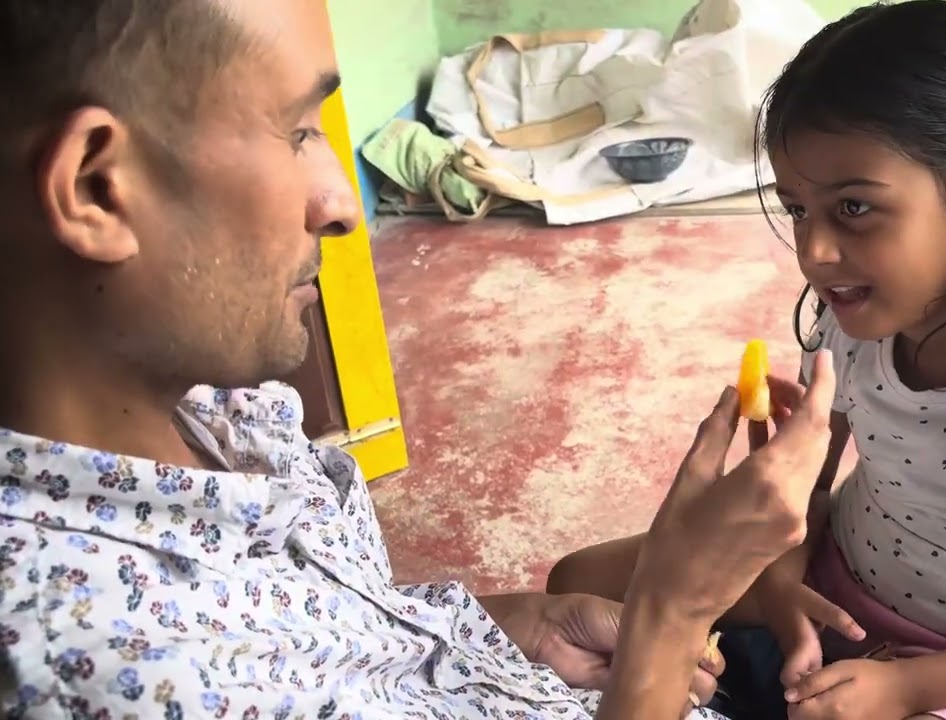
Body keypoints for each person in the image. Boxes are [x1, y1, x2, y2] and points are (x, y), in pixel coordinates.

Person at [0, 1, 844, 717]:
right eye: (298, 132)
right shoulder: (119, 669)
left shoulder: (211, 415)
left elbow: (316, 641)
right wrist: (671, 611)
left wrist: (515, 626)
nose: (341, 208)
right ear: (96, 188)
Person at [548, 2, 946, 719]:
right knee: (576, 584)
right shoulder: (851, 325)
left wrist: (907, 688)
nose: (814, 252)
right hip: (832, 581)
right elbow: (805, 495)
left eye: (853, 207)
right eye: (796, 209)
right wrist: (783, 584)